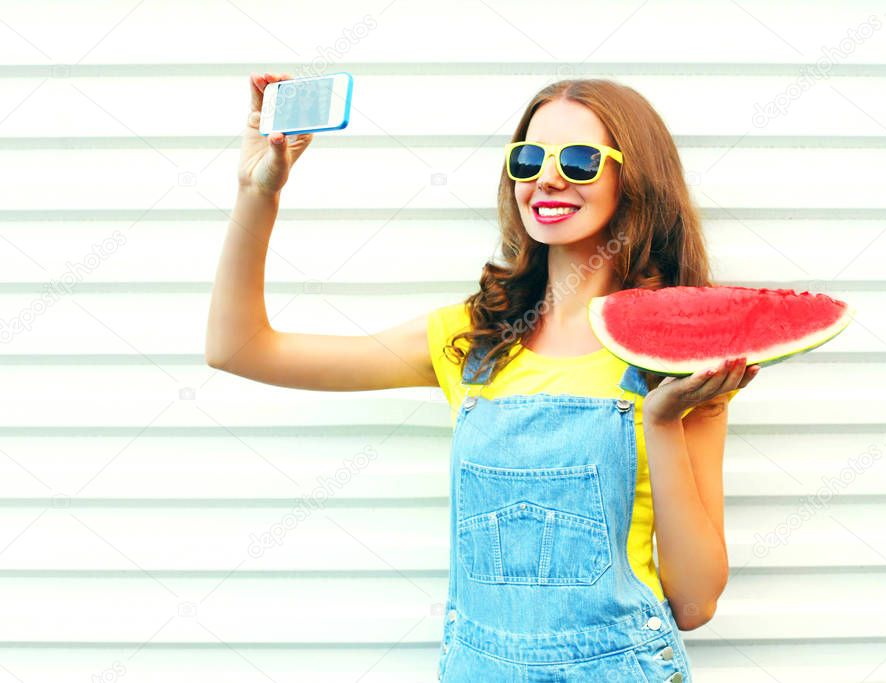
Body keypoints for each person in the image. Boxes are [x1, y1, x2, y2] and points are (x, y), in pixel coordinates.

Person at [207, 73, 759, 682]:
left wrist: (661, 419)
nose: (547, 178)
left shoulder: (678, 357)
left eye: (579, 161)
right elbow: (238, 349)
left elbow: (695, 603)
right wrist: (257, 192)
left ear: (637, 181)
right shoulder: (470, 339)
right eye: (528, 159)